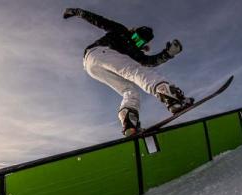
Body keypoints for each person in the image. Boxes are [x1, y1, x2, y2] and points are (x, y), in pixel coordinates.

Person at [63, 8, 194, 136]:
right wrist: (77, 12)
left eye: (140, 41)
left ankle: (128, 119)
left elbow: (149, 61)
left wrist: (168, 54)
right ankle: (171, 97)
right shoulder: (122, 31)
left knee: (130, 91)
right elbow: (99, 21)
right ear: (134, 31)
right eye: (137, 37)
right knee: (136, 71)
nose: (136, 41)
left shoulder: (135, 52)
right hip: (100, 51)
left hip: (91, 67)